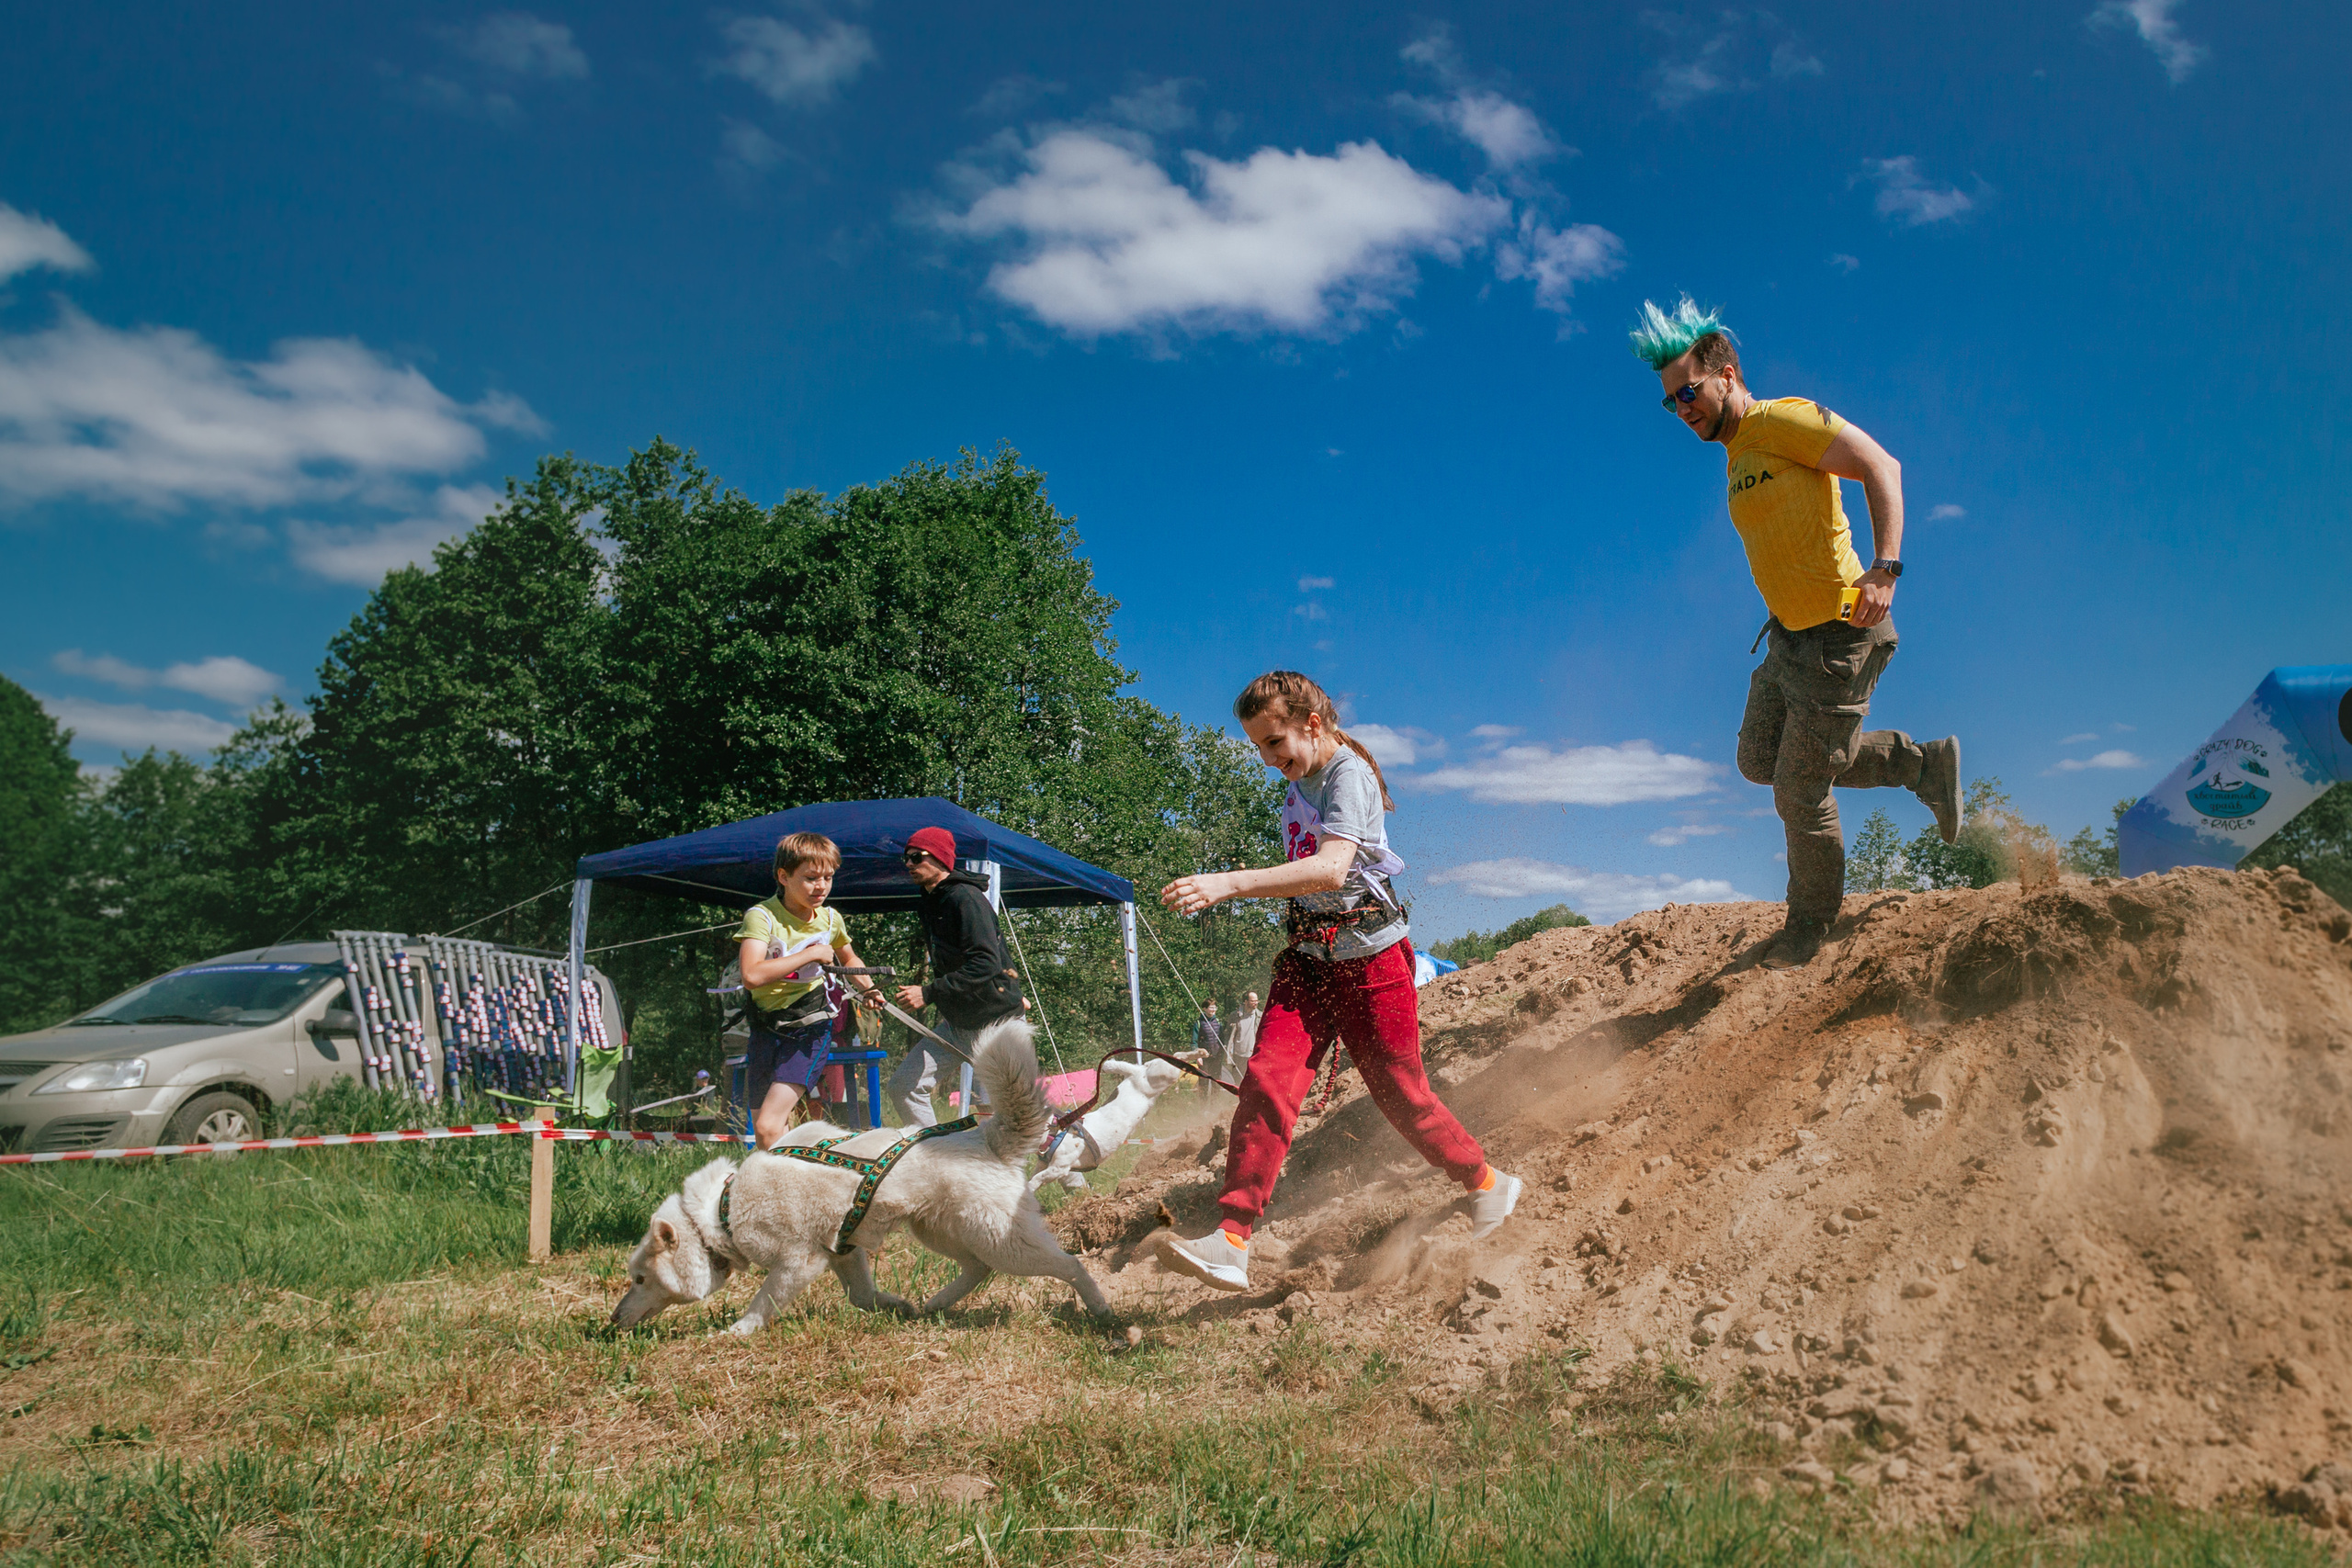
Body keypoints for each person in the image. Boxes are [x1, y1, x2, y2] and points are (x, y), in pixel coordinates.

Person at [1157, 671, 1521, 1292]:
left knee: (1402, 1095)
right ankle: (1232, 1238)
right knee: (1267, 1080)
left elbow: (1330, 870)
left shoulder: (1347, 774)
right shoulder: (1297, 788)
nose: (1271, 760)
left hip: (1370, 963)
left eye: (1275, 742)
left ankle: (1489, 1182)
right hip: (1307, 959)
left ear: (1312, 725)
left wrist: (1229, 882)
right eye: (1259, 748)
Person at [1629, 296, 1963, 970]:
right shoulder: (1735, 456)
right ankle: (1922, 765)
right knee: (1760, 760)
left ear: (1727, 372)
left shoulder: (1784, 420)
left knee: (1799, 788)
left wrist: (1885, 568)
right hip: (1788, 641)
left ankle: (1809, 928)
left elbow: (1882, 466)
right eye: (1670, 402)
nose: (1682, 408)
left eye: (1687, 392)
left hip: (1842, 637)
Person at [736, 832, 879, 1150]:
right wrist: (810, 954)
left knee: (768, 1124)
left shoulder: (831, 919)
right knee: (768, 1134)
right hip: (765, 1028)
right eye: (811, 878)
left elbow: (850, 958)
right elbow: (751, 975)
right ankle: (789, 1189)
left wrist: (869, 989)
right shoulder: (762, 917)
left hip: (810, 1029)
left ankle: (783, 1192)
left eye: (829, 878)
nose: (822, 887)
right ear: (783, 877)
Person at [887, 826, 1024, 1126]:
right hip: (958, 1026)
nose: (908, 864)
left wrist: (928, 993)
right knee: (904, 1087)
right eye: (906, 858)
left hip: (996, 1026)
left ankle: (1075, 1169)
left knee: (1016, 1117)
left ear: (941, 859)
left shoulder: (966, 899)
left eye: (916, 857)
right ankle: (940, 1160)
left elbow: (987, 964)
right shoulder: (930, 900)